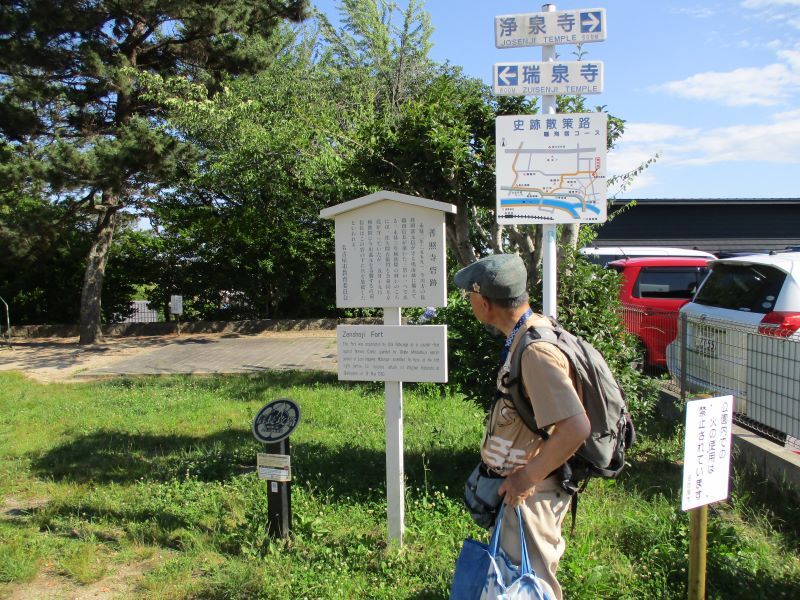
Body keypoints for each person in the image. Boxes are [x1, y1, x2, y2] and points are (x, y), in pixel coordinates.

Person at [453, 253, 590, 600]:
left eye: (470, 297)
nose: (470, 304)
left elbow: (575, 427)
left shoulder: (535, 353)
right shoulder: (526, 333)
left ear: (484, 303)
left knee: (532, 586)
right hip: (522, 491)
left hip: (534, 494)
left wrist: (525, 478)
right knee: (515, 583)